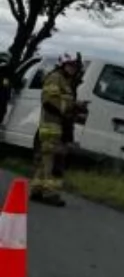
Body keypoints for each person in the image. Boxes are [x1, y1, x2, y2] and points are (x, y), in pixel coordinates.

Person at [31, 53, 83, 206]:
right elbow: (50, 101)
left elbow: (61, 101)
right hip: (51, 126)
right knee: (53, 161)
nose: (73, 69)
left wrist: (76, 106)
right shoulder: (55, 78)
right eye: (70, 65)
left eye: (75, 66)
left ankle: (37, 190)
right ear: (63, 65)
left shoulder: (65, 81)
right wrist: (72, 107)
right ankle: (51, 194)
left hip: (57, 126)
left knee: (46, 159)